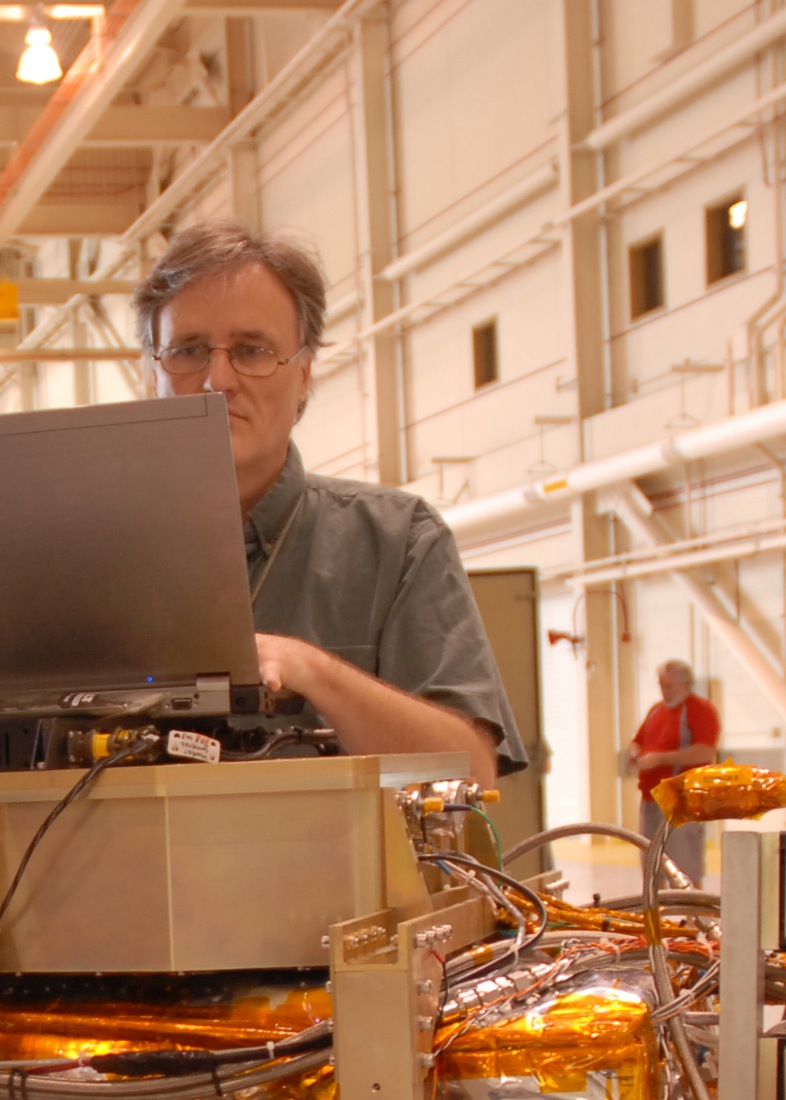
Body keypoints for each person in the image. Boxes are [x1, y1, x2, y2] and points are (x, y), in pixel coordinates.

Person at [133, 222, 527, 784]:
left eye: (252, 350)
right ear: (152, 373)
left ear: (305, 377)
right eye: (188, 350)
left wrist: (315, 672)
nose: (218, 378)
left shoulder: (398, 542)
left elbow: (469, 772)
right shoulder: (82, 554)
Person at [626, 658, 721, 884]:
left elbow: (705, 752)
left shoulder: (700, 710)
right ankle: (655, 915)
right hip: (651, 797)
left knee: (685, 865)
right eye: (661, 685)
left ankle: (692, 917)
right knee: (651, 863)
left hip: (681, 799)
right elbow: (637, 741)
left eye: (669, 686)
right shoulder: (656, 711)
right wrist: (635, 752)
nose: (664, 691)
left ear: (686, 684)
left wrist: (661, 759)